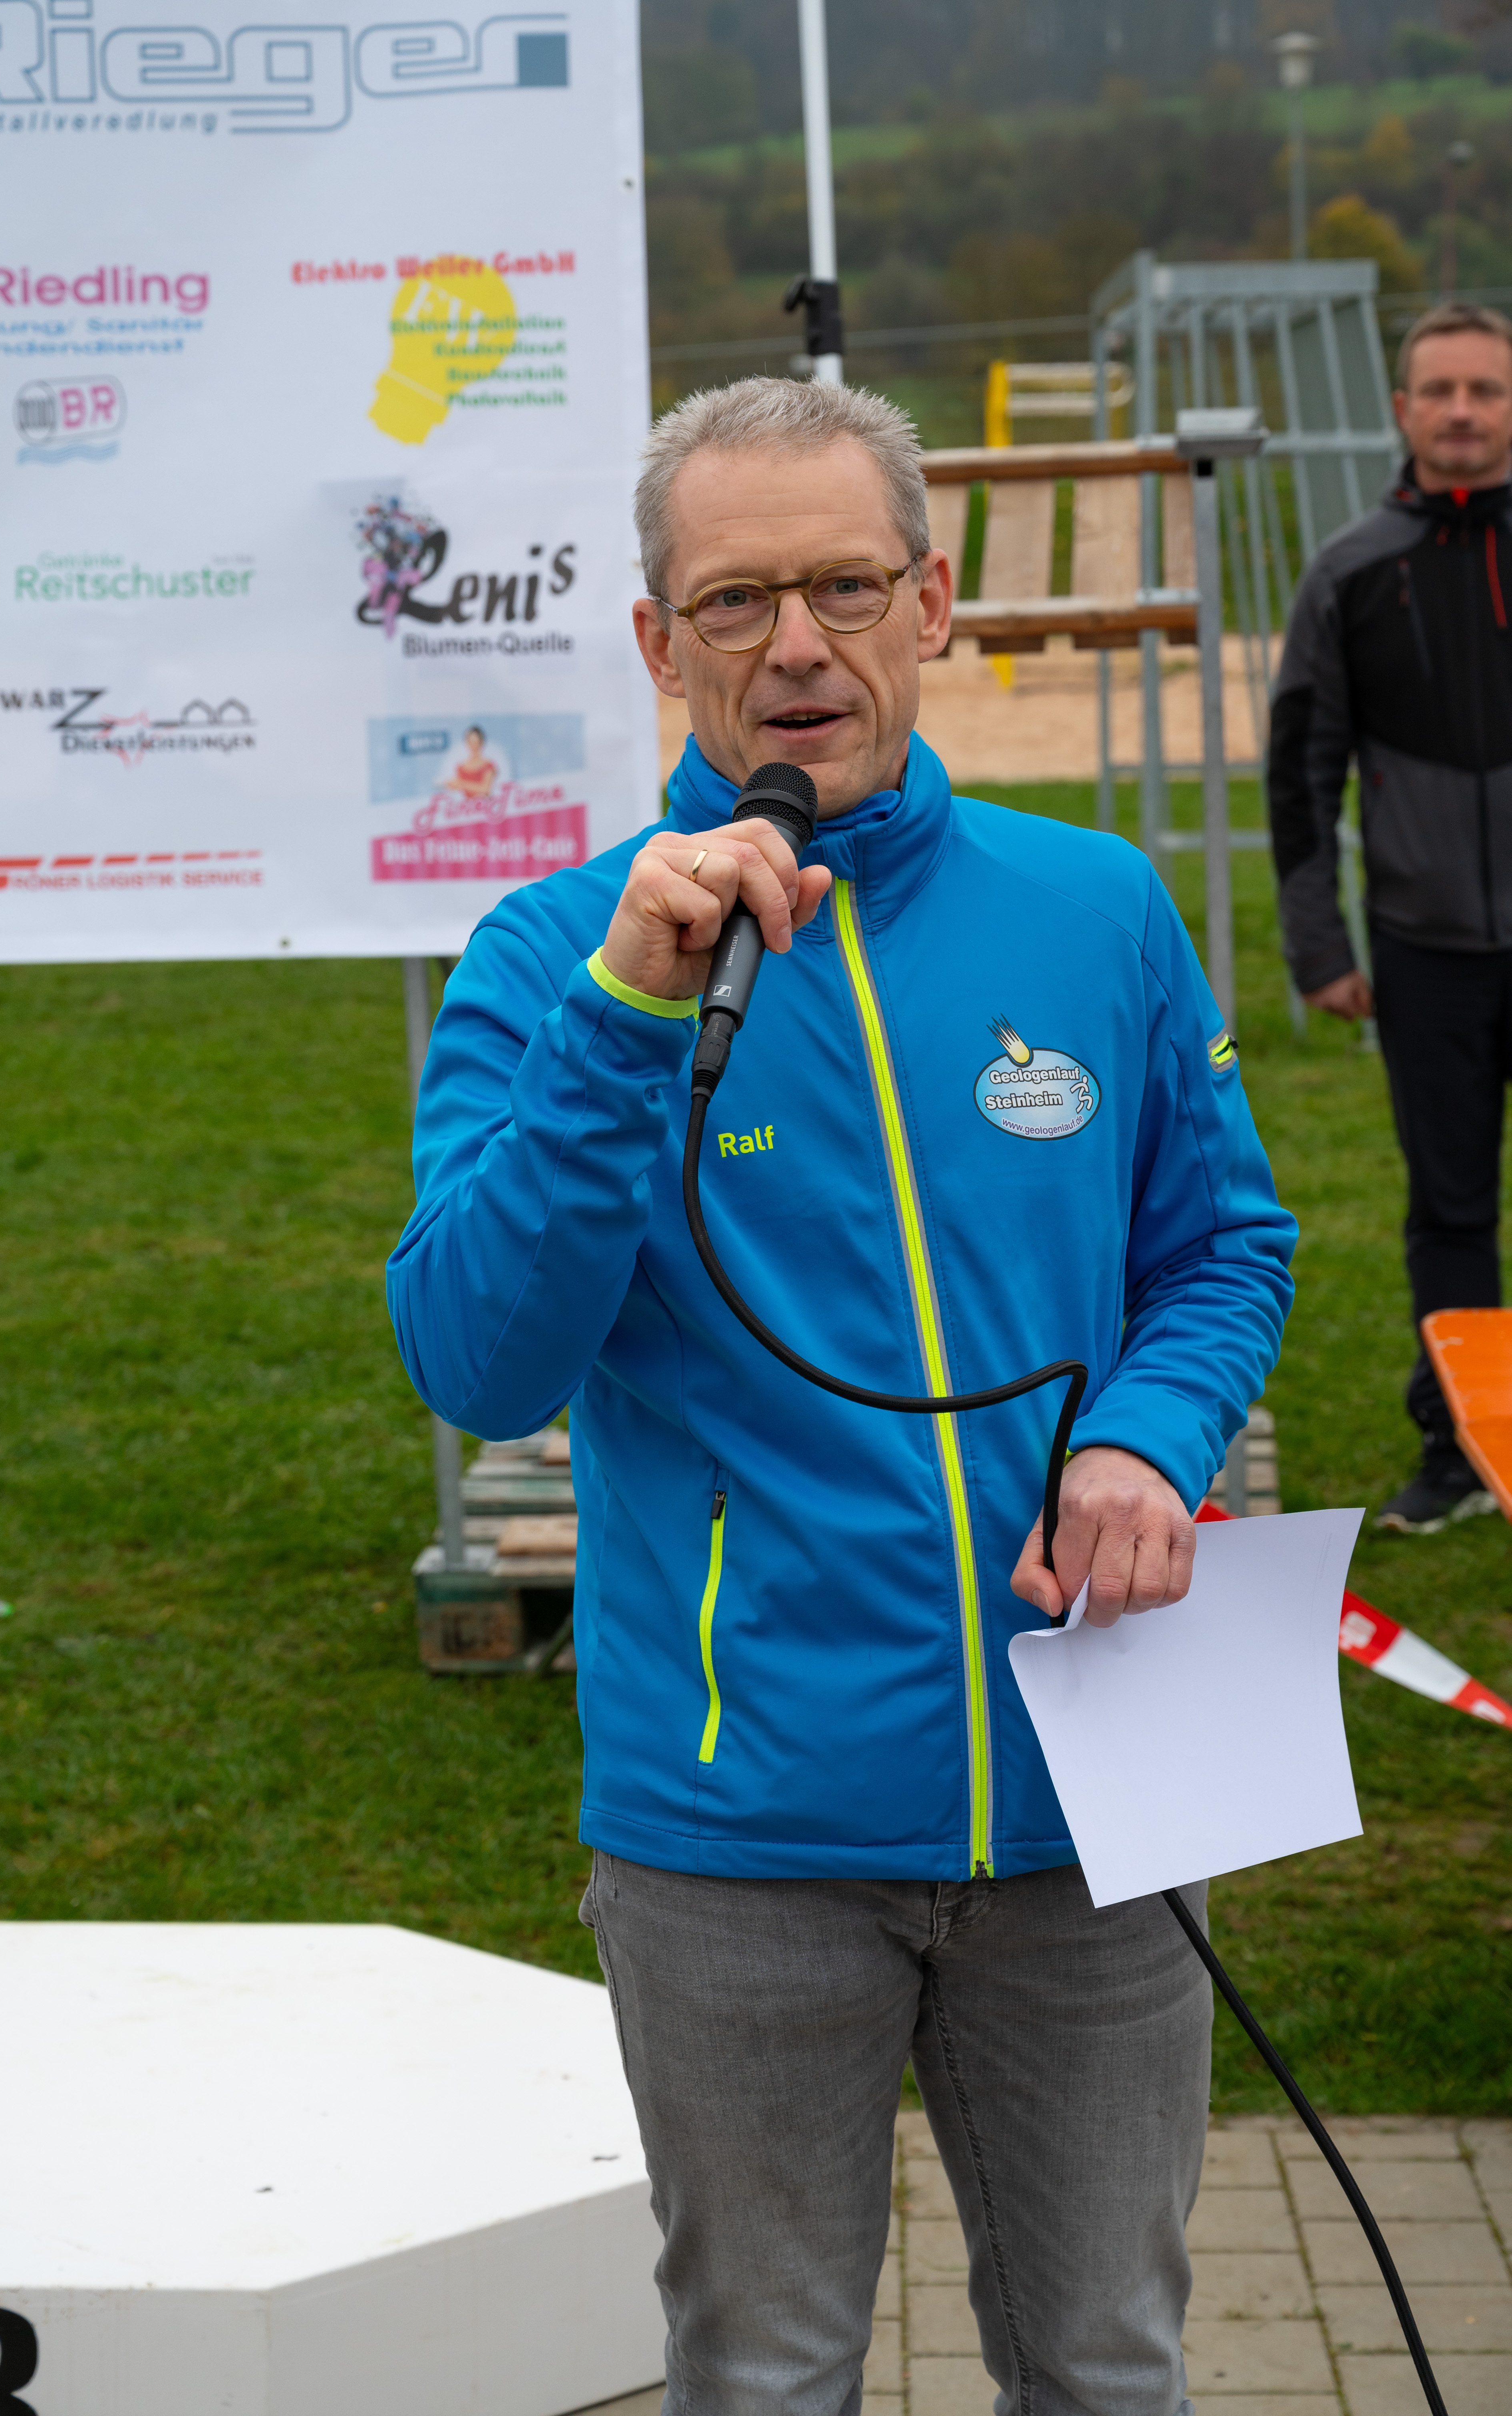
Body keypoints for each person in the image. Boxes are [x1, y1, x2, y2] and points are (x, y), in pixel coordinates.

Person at [388, 377, 1295, 2416]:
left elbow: (1223, 1247)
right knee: (766, 2371)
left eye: (845, 588)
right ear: (658, 642)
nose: (796, 646)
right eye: (735, 602)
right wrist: (626, 1019)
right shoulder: (552, 958)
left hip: (1094, 1792)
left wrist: (1144, 1438)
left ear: (932, 603)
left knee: (1105, 2362)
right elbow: (476, 1356)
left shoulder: (1095, 908)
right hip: (742, 1833)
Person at [1269, 300, 1512, 1534]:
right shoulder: (1351, 570)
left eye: (1487, 389)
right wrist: (1320, 944)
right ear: (1405, 409)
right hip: (1427, 953)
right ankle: (1461, 1448)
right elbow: (1301, 771)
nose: (1464, 410)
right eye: (1442, 390)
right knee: (1450, 1209)